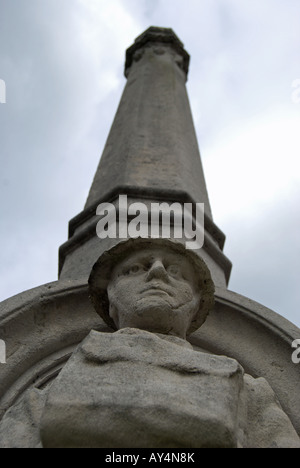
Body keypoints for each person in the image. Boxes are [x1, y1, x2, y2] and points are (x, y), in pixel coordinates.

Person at [1, 239, 300, 448]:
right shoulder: (41, 398)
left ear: (196, 303)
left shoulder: (250, 393)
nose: (157, 272)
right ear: (111, 298)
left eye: (176, 271)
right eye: (134, 269)